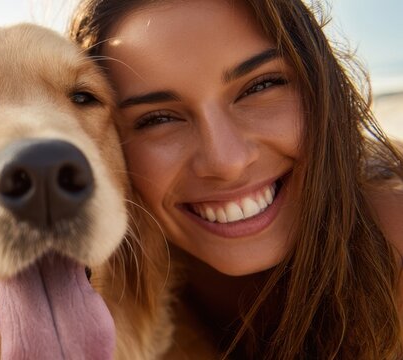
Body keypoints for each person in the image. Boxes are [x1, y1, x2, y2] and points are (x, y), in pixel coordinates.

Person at [70, 0, 403, 358]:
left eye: (260, 87)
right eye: (157, 119)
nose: (226, 161)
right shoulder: (101, 290)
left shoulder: (393, 238)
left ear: (320, 83)